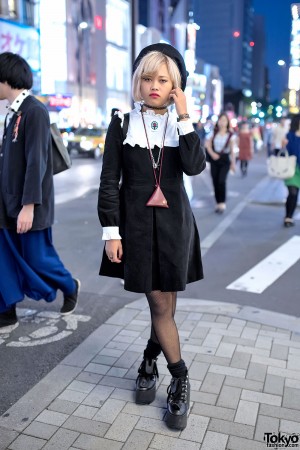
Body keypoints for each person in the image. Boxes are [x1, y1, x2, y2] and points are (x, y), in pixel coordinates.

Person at [97, 43, 205, 430]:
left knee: (166, 309)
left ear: (176, 85)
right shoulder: (122, 123)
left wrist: (186, 114)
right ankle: (179, 376)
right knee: (160, 305)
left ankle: (148, 359)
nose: (154, 85)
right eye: (147, 78)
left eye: (163, 79)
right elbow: (109, 181)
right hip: (137, 228)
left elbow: (194, 168)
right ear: (137, 83)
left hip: (176, 227)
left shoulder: (184, 123)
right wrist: (111, 231)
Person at [0, 52, 80, 330]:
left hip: (29, 204)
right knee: (5, 257)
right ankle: (6, 309)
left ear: (6, 79)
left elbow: (37, 162)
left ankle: (69, 286)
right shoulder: (13, 114)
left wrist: (29, 205)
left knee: (37, 257)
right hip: (7, 203)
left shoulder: (34, 111)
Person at [205, 112, 236, 213]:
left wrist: (233, 163)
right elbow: (207, 145)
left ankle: (222, 203)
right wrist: (212, 154)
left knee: (221, 181)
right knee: (214, 181)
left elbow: (232, 150)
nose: (222, 122)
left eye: (224, 120)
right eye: (221, 120)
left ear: (227, 122)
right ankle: (217, 203)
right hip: (214, 159)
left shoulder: (231, 135)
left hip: (225, 160)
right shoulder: (213, 133)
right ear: (218, 121)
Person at [282, 114, 300, 228]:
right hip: (291, 167)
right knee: (292, 192)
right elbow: (284, 152)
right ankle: (288, 216)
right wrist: (283, 145)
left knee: (295, 193)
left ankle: (289, 215)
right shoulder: (290, 135)